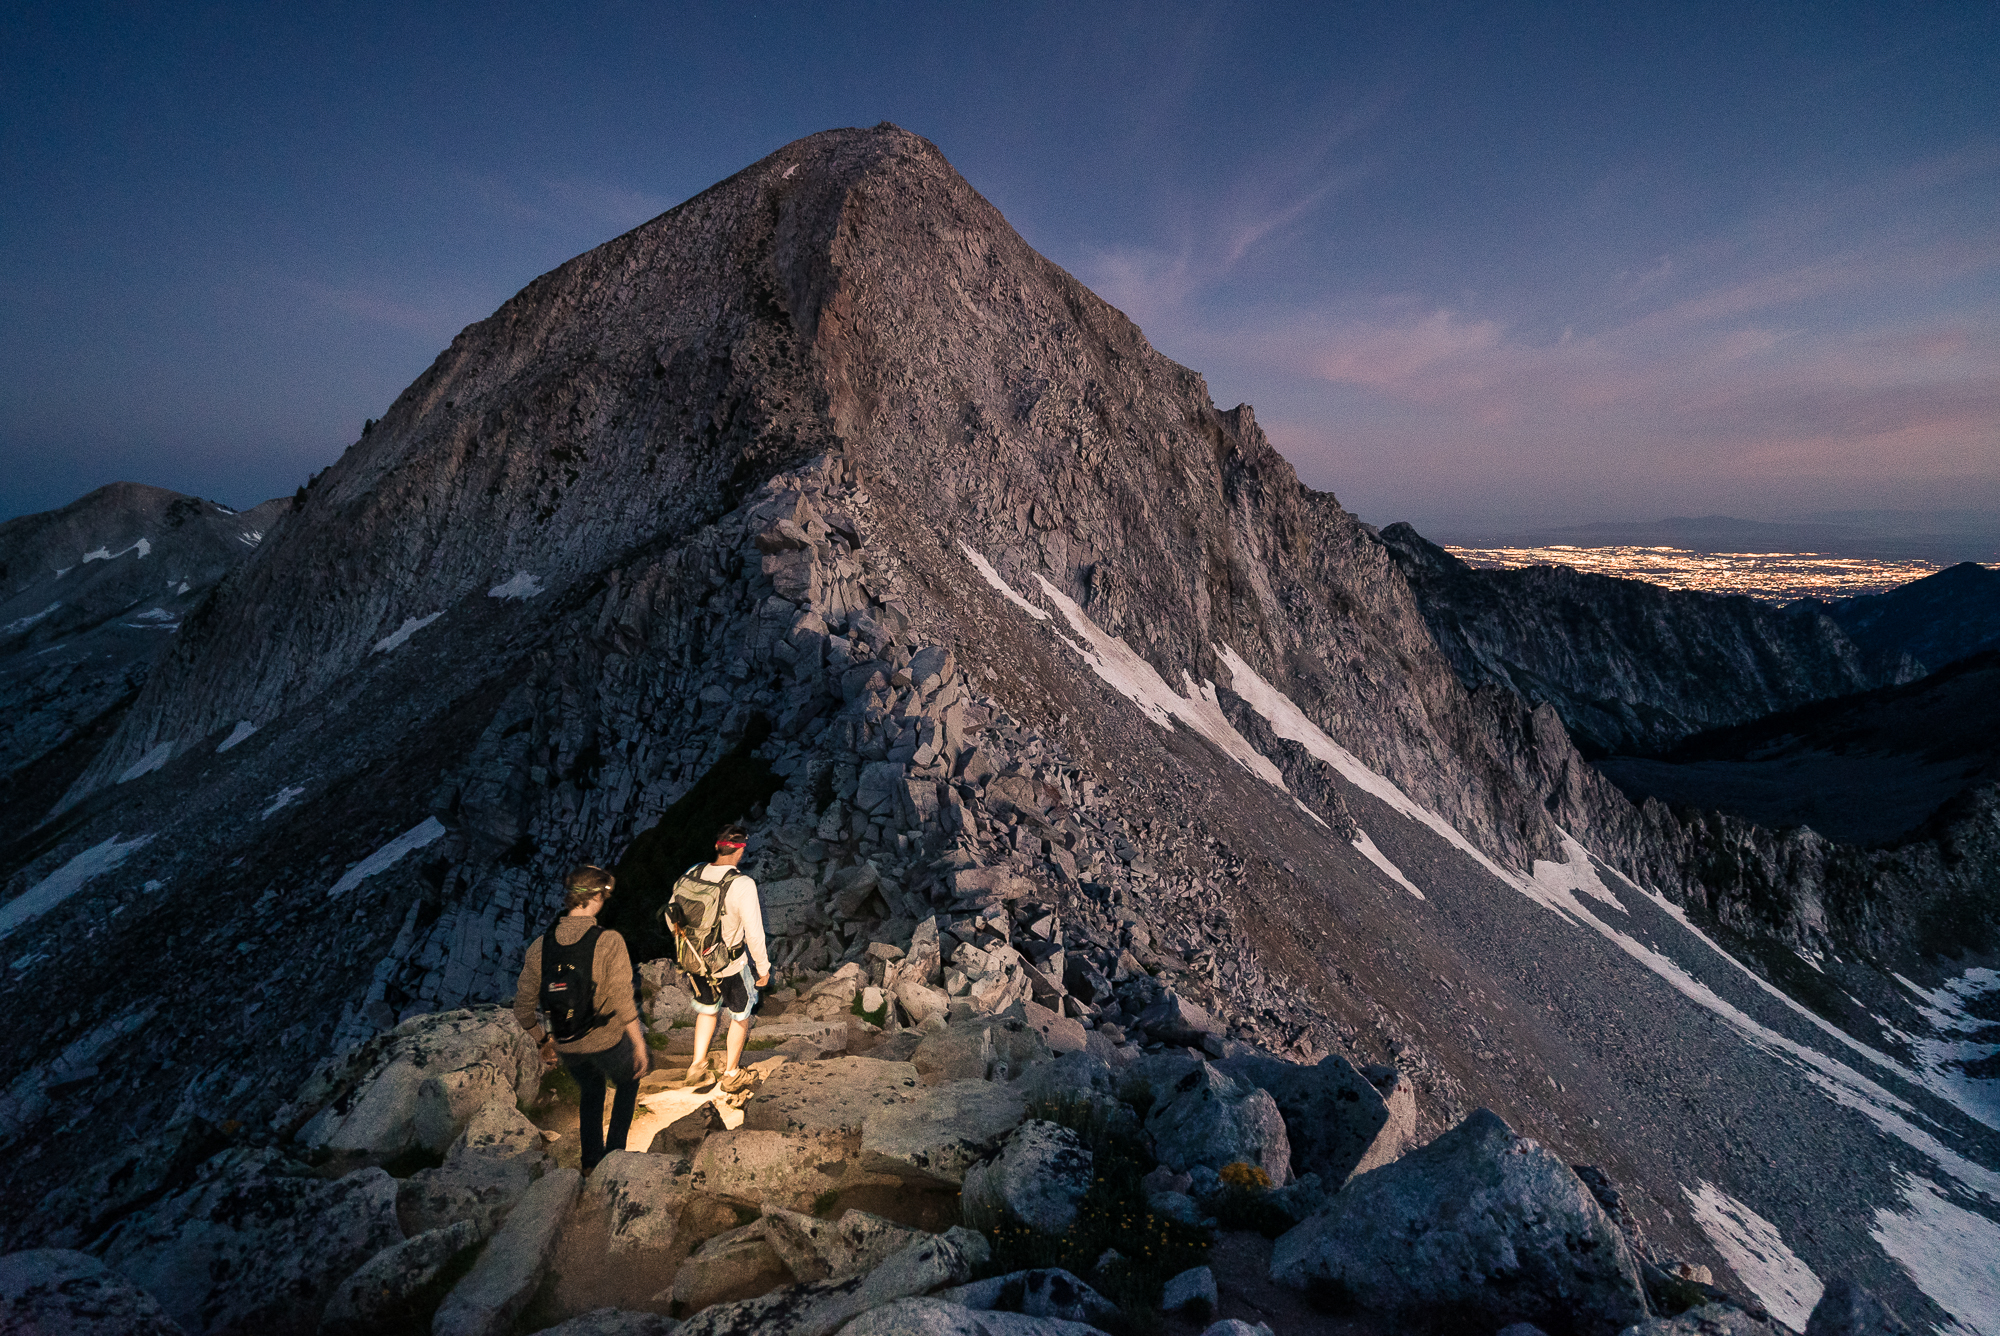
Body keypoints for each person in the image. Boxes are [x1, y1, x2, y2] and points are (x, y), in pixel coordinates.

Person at [514, 864, 647, 1173]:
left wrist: (544, 1040)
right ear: (597, 897)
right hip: (606, 1039)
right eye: (605, 895)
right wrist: (639, 1044)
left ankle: (589, 1164)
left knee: (591, 1090)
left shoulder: (540, 947)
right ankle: (614, 1156)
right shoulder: (609, 941)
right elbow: (623, 1000)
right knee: (629, 1081)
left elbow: (522, 1010)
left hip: (566, 1042)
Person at [667, 825, 770, 1094]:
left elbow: (671, 916)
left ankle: (697, 1066)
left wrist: (691, 945)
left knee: (706, 1008)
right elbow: (754, 933)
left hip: (695, 960)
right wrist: (763, 969)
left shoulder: (694, 872)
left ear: (717, 846)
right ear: (741, 849)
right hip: (729, 964)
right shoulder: (743, 884)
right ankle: (731, 1073)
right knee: (740, 1015)